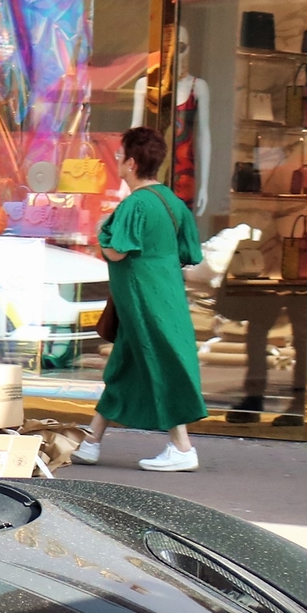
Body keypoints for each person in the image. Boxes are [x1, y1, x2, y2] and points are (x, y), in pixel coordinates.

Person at [74, 126, 207, 472]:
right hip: (166, 294)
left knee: (156, 362)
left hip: (141, 296)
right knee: (126, 366)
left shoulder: (135, 204)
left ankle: (182, 446)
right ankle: (91, 442)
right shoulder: (172, 202)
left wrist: (103, 230)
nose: (117, 161)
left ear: (131, 163)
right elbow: (188, 252)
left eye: (119, 156)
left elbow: (116, 252)